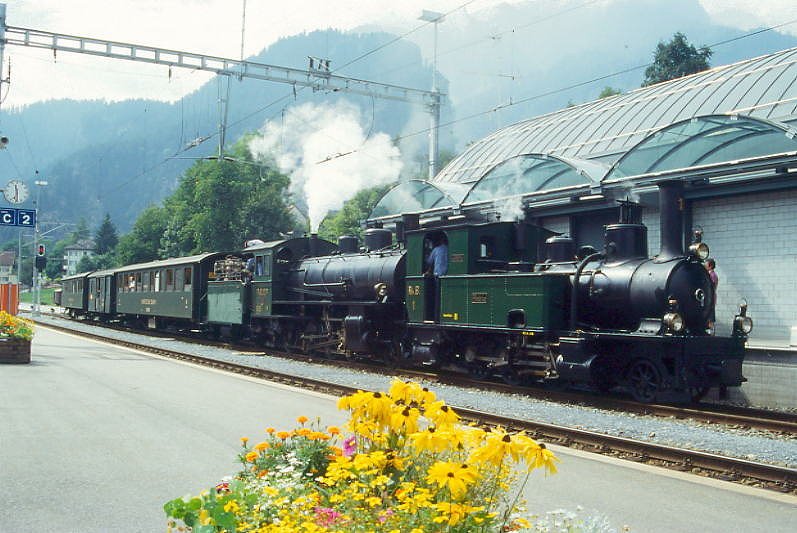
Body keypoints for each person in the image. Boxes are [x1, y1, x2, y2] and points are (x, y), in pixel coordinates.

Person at [705, 258, 718, 331]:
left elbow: (710, 287)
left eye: (706, 265)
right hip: (710, 298)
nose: (705, 266)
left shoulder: (712, 275)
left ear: (710, 266)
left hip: (710, 298)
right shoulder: (710, 274)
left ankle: (711, 331)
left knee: (710, 316)